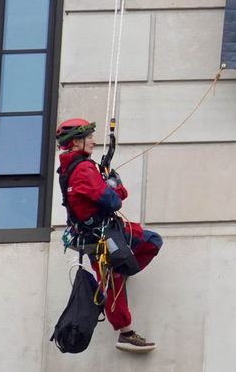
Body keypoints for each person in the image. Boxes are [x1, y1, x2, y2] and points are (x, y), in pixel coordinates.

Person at [56, 117, 162, 353]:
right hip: (102, 238)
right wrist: (117, 186)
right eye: (89, 137)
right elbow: (112, 201)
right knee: (115, 283)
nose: (93, 141)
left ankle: (122, 271)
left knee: (149, 243)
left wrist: (104, 182)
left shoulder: (70, 166)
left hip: (102, 233)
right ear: (75, 142)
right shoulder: (83, 169)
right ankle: (126, 333)